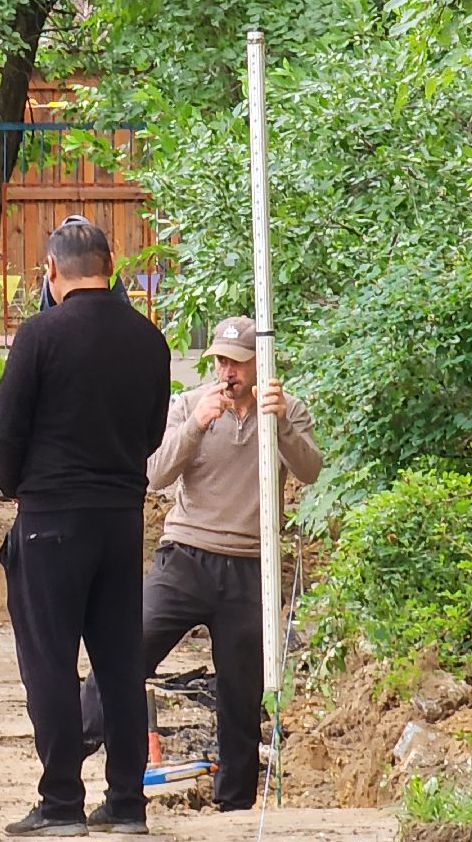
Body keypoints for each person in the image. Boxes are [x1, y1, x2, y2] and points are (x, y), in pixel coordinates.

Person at [79, 316, 323, 811]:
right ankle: (71, 747)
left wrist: (279, 429)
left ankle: (233, 804)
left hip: (251, 565)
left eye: (236, 362)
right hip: (185, 556)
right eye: (219, 361)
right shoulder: (189, 405)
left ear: (260, 365)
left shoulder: (286, 408)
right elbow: (155, 472)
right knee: (126, 651)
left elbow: (310, 470)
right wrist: (195, 426)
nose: (226, 371)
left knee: (240, 691)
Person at [0, 219, 170, 836]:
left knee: (49, 661)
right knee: (120, 663)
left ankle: (61, 799)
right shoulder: (149, 340)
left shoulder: (40, 334)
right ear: (110, 269)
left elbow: (5, 428)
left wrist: (16, 487)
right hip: (121, 518)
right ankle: (127, 804)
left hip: (51, 518)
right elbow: (151, 434)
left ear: (52, 272)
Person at [37, 214, 130, 311]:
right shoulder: (142, 324)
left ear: (52, 268)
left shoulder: (35, 325)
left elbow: (45, 311)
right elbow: (123, 306)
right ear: (111, 262)